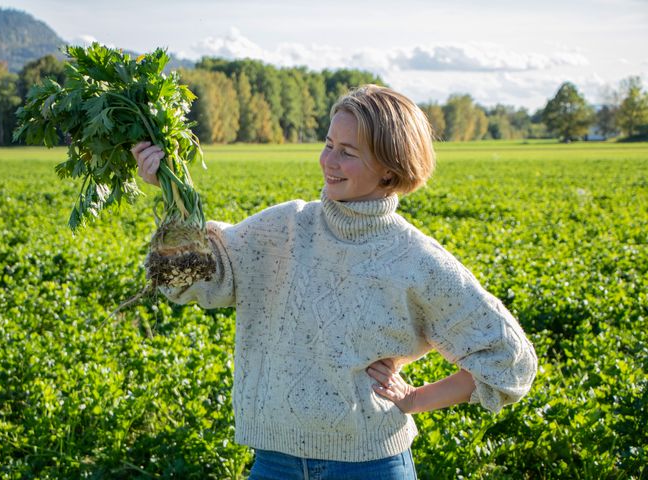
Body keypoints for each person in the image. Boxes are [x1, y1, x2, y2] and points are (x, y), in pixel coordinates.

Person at [131, 84, 537, 480]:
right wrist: (173, 196)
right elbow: (190, 282)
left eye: (348, 152)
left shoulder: (415, 258)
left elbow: (509, 359)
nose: (329, 161)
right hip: (275, 464)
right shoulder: (284, 227)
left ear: (389, 170)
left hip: (372, 466)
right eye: (328, 145)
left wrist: (415, 399)